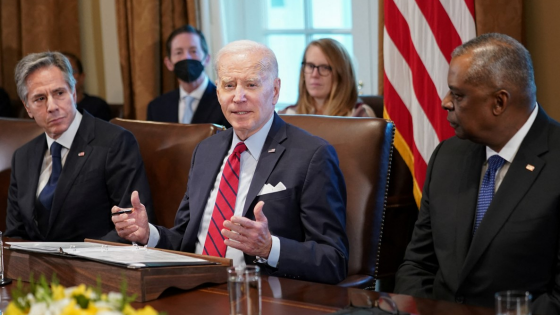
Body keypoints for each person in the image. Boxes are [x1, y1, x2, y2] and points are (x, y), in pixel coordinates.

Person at [113, 40, 349, 284]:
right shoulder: (206, 150)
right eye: (229, 85)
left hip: (258, 296)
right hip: (192, 289)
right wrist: (148, 234)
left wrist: (269, 248)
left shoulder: (312, 155)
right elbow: (186, 238)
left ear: (275, 91)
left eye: (251, 84)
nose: (238, 97)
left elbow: (334, 259)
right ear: (218, 92)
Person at [394, 33, 560, 314]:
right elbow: (417, 264)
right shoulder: (447, 156)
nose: (446, 102)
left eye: (458, 95)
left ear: (499, 102)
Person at [6, 51, 155, 242]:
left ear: (74, 93)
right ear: (27, 107)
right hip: (35, 270)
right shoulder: (23, 157)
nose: (52, 106)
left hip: (97, 267)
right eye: (40, 99)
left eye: (59, 93)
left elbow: (132, 227)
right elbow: (15, 234)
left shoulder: (115, 142)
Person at [147, 25, 230, 128]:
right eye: (179, 52)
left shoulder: (226, 101)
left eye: (193, 51)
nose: (186, 57)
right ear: (168, 63)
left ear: (207, 59)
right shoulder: (156, 107)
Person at [280, 38, 375, 117]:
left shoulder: (359, 115)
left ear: (341, 74)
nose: (314, 74)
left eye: (324, 67)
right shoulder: (287, 115)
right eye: (310, 66)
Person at [62, 52, 112, 121]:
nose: (67, 76)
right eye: (62, 72)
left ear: (82, 77)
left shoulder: (97, 106)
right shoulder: (51, 108)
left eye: (72, 71)